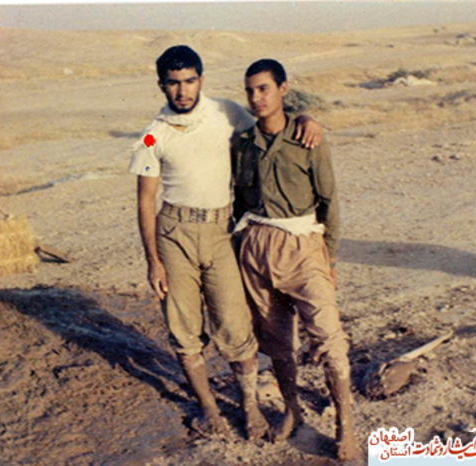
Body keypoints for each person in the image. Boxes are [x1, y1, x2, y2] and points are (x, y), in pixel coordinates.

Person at [129, 46, 321, 440]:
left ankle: (250, 407)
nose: (182, 90)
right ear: (161, 85)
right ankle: (210, 411)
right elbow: (146, 200)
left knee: (235, 322)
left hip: (221, 233)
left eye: (189, 81)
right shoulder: (152, 133)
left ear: (201, 79)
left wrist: (305, 118)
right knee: (183, 327)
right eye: (173, 83)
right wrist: (153, 261)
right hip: (174, 236)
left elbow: (271, 122)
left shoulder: (227, 112)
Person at [232, 59, 358, 460]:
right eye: (250, 90)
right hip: (256, 246)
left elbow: (329, 201)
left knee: (329, 337)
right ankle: (293, 410)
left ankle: (345, 427)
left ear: (283, 89)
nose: (256, 98)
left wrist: (330, 259)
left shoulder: (307, 138)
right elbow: (238, 201)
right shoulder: (242, 143)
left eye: (264, 89)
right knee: (276, 340)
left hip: (303, 246)